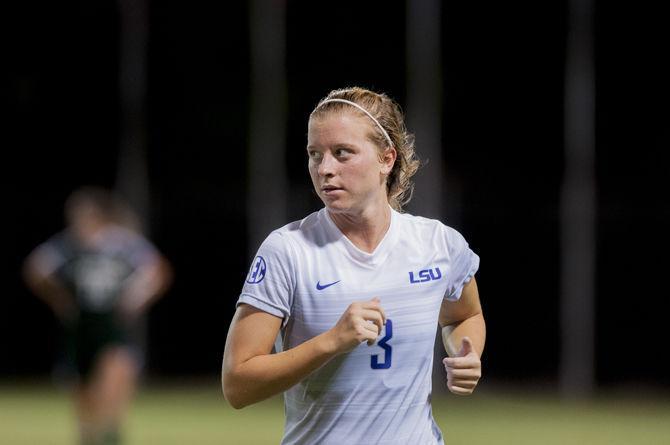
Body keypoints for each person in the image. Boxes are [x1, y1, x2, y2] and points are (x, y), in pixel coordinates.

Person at [222, 87, 485, 444]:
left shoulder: (438, 245)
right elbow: (238, 385)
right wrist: (331, 342)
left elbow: (463, 316)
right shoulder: (288, 250)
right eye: (315, 155)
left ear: (386, 159)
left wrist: (465, 354)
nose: (325, 169)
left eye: (342, 153)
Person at [23, 187, 172, 445]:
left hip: (110, 323)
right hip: (81, 325)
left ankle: (109, 430)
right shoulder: (70, 244)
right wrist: (59, 298)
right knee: (82, 387)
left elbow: (158, 270)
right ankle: (90, 433)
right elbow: (36, 269)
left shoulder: (121, 244)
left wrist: (135, 299)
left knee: (115, 373)